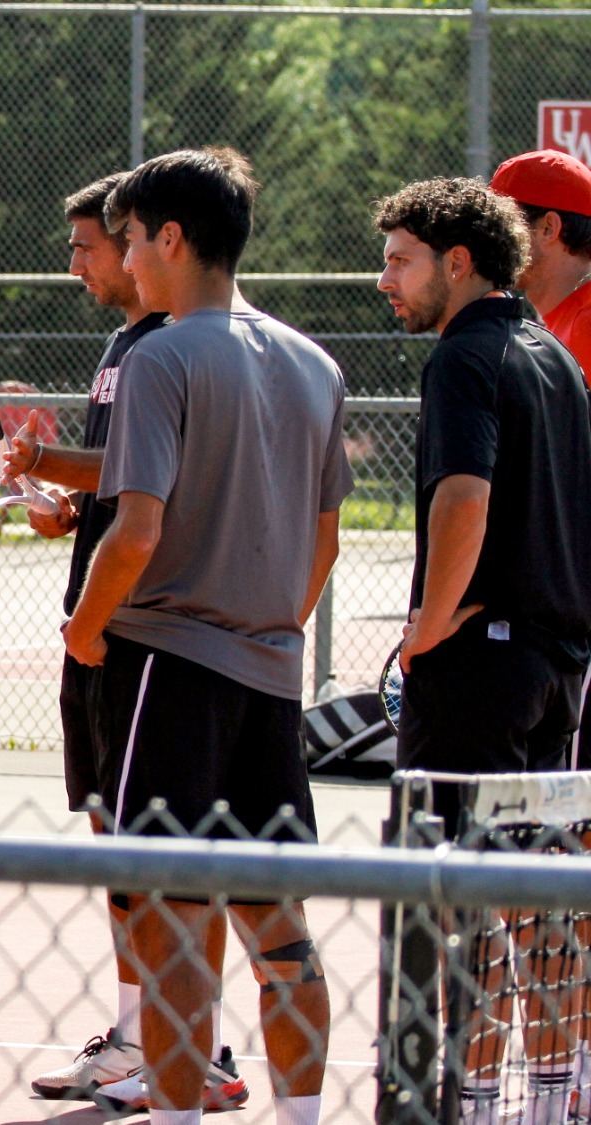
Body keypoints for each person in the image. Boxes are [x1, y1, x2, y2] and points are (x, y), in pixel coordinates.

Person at [64, 148, 344, 1125]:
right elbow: (324, 540)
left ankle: (177, 1117)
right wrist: (268, 629)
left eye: (131, 238)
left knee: (172, 929)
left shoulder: (160, 355)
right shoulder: (312, 361)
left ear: (170, 240)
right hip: (267, 677)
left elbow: (133, 531)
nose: (123, 258)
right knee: (280, 930)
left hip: (165, 671)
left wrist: (84, 632)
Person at [4, 173, 234, 1111]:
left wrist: (54, 462)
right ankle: (140, 1031)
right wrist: (66, 506)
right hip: (97, 627)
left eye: (93, 247)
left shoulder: (179, 348)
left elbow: (155, 476)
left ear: (146, 242)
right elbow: (120, 481)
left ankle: (198, 1048)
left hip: (147, 633)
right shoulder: (120, 348)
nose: (81, 266)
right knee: (113, 841)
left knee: (168, 853)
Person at [377, 177, 591, 1125]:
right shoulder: (552, 353)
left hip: (481, 668)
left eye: (400, 259)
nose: (385, 278)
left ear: (457, 262)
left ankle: (455, 1104)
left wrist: (430, 620)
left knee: (452, 899)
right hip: (556, 667)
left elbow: (464, 497)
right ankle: (544, 1105)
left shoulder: (465, 355)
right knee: (540, 900)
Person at [490, 150, 591, 377]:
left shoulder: (586, 324)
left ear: (548, 229)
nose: (491, 237)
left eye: (504, 225)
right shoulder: (568, 317)